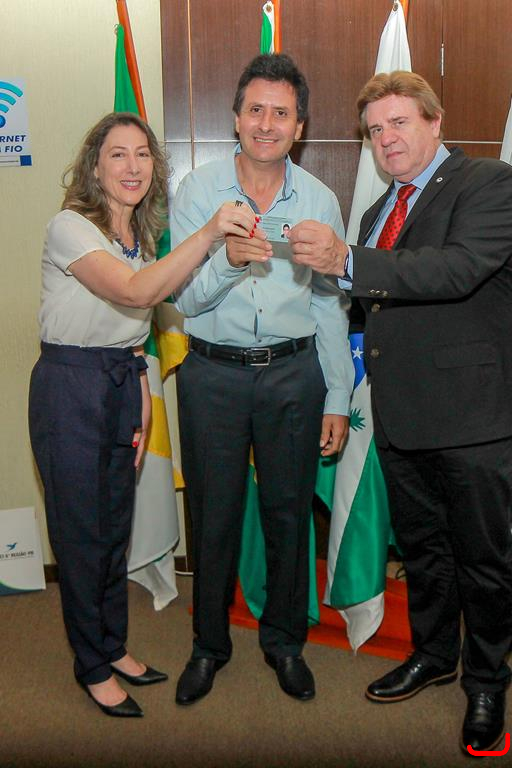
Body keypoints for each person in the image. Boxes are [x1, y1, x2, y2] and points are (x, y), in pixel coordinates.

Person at [288, 71, 512, 755]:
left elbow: (455, 269)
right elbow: (369, 307)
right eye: (375, 129)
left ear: (435, 122)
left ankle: (487, 682)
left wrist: (348, 260)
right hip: (400, 415)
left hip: (473, 420)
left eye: (400, 122)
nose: (386, 138)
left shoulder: (490, 185)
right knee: (423, 552)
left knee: (485, 562)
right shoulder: (375, 213)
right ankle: (435, 654)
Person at [28, 112, 257, 718]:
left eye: (142, 154)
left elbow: (143, 322)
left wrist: (142, 404)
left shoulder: (141, 237)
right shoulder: (70, 227)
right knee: (81, 535)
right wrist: (209, 231)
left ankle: (112, 645)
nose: (133, 167)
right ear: (94, 167)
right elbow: (135, 294)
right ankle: (91, 665)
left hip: (123, 380)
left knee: (113, 530)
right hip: (71, 388)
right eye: (117, 155)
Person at [170, 53, 353, 705]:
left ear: (299, 127)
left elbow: (330, 303)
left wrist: (337, 395)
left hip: (294, 375)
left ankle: (284, 642)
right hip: (211, 377)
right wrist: (225, 261)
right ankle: (208, 646)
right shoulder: (198, 192)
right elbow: (184, 299)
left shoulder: (320, 199)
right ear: (236, 118)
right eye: (255, 110)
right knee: (212, 515)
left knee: (287, 513)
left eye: (281, 113)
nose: (266, 124)